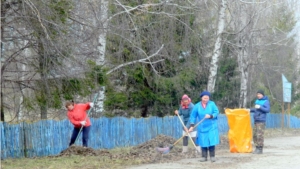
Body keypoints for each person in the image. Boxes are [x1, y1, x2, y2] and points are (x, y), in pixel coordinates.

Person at [188, 91, 219, 162]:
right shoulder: (197, 106)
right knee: (203, 142)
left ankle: (212, 156)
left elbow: (216, 112)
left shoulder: (212, 104)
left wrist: (211, 116)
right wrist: (192, 126)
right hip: (202, 127)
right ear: (201, 98)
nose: (206, 100)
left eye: (207, 98)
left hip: (211, 126)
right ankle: (204, 157)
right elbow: (193, 116)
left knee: (211, 141)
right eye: (204, 98)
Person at [250, 89, 270, 154]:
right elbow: (256, 110)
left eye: (259, 94)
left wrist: (260, 107)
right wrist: (249, 110)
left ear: (262, 95)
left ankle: (260, 148)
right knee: (255, 135)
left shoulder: (265, 101)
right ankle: (256, 147)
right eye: (257, 94)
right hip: (256, 120)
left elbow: (267, 110)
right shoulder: (257, 101)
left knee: (259, 135)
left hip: (261, 121)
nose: (258, 95)